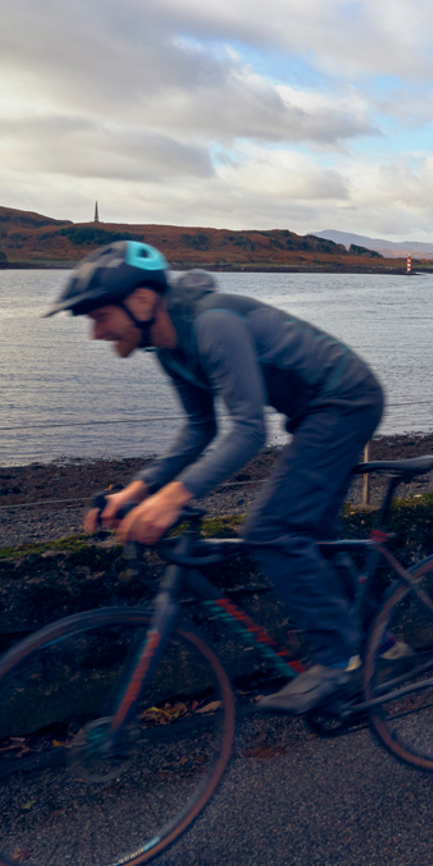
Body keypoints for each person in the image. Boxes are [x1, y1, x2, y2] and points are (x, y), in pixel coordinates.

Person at [46, 240, 384, 715]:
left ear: (141, 300)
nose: (95, 333)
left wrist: (171, 499)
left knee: (269, 528)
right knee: (314, 534)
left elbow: (248, 431)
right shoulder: (169, 347)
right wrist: (138, 490)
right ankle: (384, 646)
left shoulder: (213, 324)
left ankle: (337, 661)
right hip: (313, 413)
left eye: (100, 317)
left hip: (346, 402)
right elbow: (199, 428)